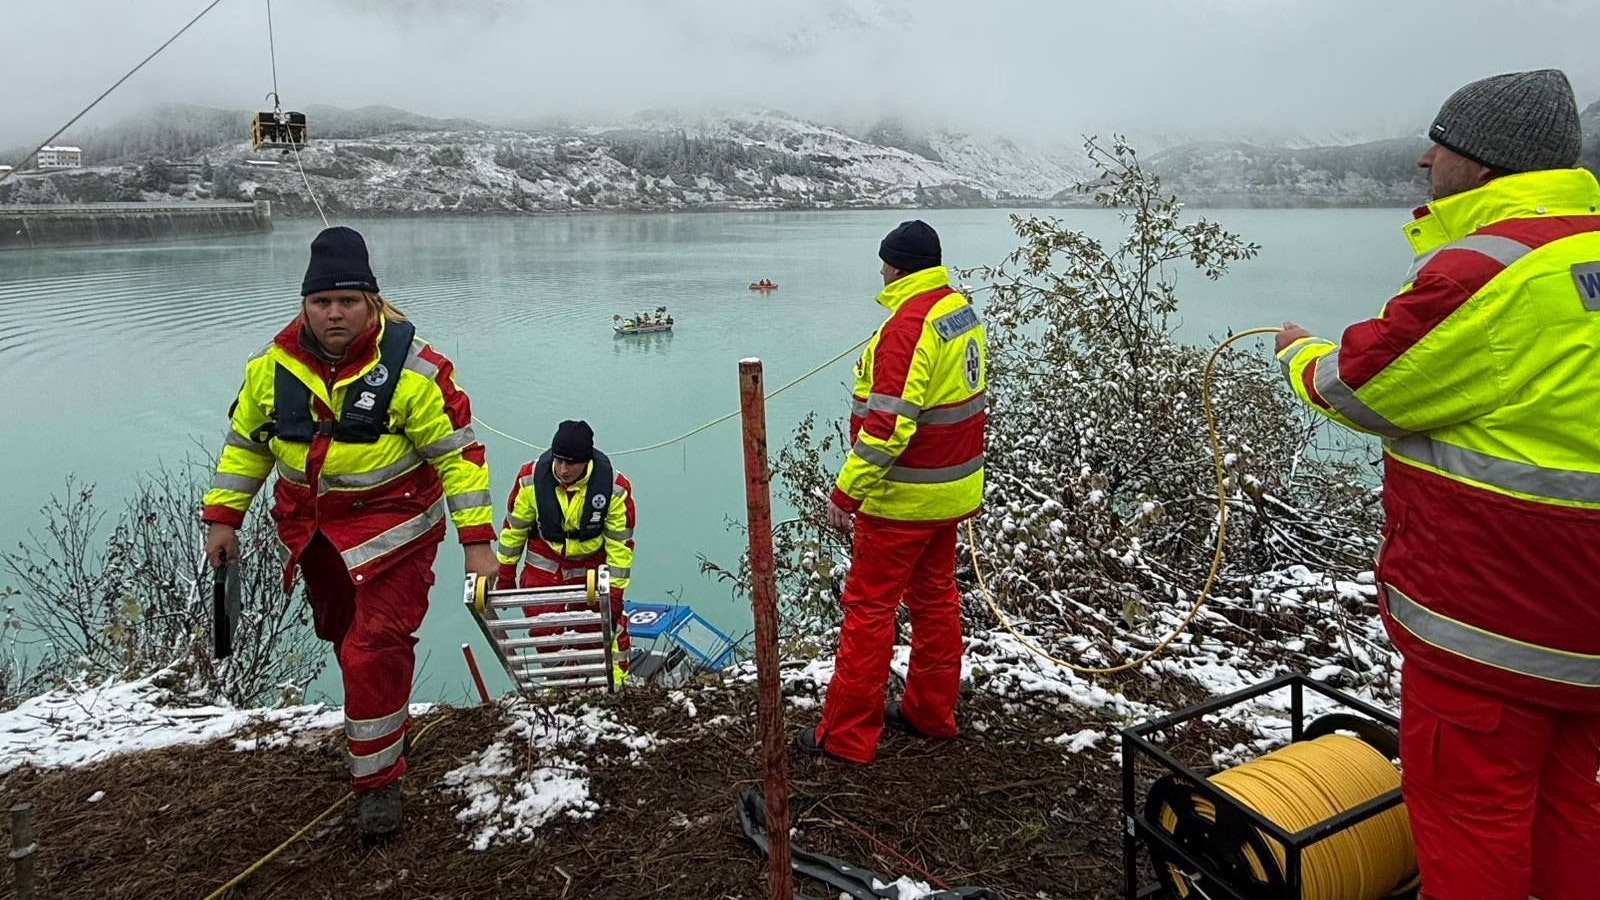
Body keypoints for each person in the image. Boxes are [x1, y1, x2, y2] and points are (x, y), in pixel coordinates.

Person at [1276, 69, 1600, 899]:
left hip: (1496, 617)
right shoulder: (1585, 249)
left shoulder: (1487, 268)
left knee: (1469, 820)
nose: (1425, 160)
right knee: (1568, 805)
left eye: (1442, 144)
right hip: (1582, 626)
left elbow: (1365, 386)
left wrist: (1297, 354)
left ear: (1487, 161)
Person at [201, 226, 497, 838]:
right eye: (322, 301)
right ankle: (380, 723)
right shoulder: (270, 368)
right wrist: (225, 517)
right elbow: (245, 448)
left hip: (396, 534)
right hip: (312, 533)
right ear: (304, 305)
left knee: (374, 647)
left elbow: (457, 459)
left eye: (348, 301)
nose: (334, 313)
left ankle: (378, 785)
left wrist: (477, 543)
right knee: (343, 637)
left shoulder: (418, 372)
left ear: (373, 302)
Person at [796, 219, 987, 764]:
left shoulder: (908, 327)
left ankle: (847, 737)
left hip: (902, 500)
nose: (879, 271)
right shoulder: (959, 311)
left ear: (897, 266)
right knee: (935, 601)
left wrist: (844, 494)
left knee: (868, 611)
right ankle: (930, 712)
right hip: (949, 493)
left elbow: (887, 427)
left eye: (883, 262)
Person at [494, 420, 635, 683]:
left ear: (586, 462)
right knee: (545, 630)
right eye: (558, 461)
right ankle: (558, 684)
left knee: (600, 629)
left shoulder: (614, 489)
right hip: (544, 562)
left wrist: (614, 593)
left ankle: (611, 684)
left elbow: (620, 546)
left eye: (571, 463)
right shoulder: (530, 479)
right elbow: (514, 529)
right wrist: (505, 573)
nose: (562, 469)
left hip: (591, 566)